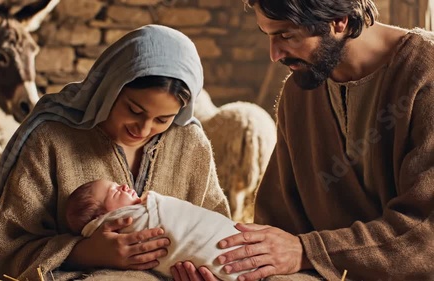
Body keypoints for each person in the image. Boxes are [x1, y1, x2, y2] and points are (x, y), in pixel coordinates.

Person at [173, 1, 434, 281]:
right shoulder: (299, 94)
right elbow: (277, 221)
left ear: (339, 21)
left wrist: (307, 251)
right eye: (268, 35)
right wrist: (235, 268)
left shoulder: (425, 75)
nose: (274, 55)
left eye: (286, 36)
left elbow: (426, 235)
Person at [0, 24, 231, 281]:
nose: (143, 128)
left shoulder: (189, 143)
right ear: (110, 89)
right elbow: (7, 252)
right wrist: (85, 252)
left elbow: (215, 231)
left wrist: (205, 271)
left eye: (163, 119)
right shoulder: (52, 139)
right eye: (134, 110)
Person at [65, 178, 252, 281]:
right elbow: (37, 252)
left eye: (162, 119)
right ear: (100, 219)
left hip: (232, 247)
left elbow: (206, 219)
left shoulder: (192, 140)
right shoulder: (127, 221)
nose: (123, 185)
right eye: (114, 191)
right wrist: (88, 252)